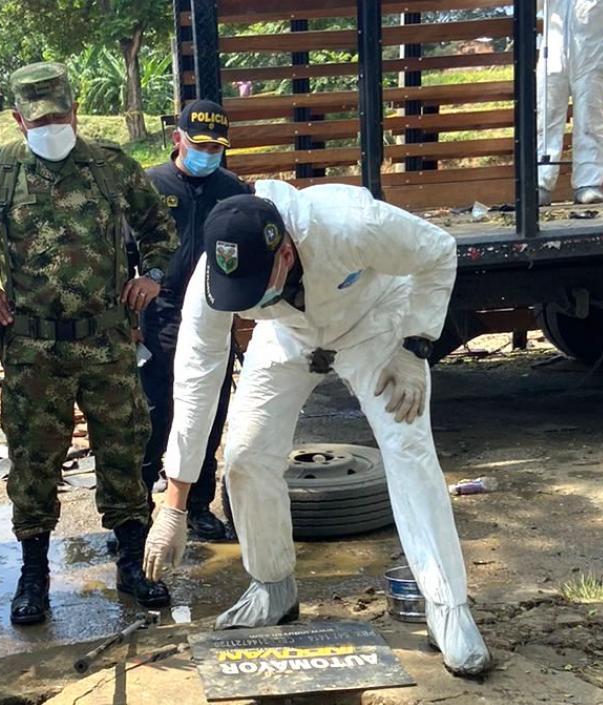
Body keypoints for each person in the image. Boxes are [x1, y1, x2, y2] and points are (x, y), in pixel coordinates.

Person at [142, 184, 493, 676]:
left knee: (407, 448)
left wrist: (415, 346)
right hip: (290, 336)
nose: (248, 298)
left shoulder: (350, 224)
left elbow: (438, 251)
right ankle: (272, 587)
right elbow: (198, 374)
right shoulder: (216, 274)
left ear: (286, 250)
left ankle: (447, 606)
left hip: (376, 325)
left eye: (256, 284)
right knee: (246, 455)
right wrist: (174, 501)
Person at [0, 61, 179, 625]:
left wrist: (153, 276)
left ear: (73, 111)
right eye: (39, 118)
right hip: (32, 350)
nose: (52, 124)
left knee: (124, 451)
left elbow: (159, 230)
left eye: (60, 114)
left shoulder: (111, 166)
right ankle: (33, 574)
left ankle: (130, 561)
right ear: (19, 120)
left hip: (106, 342)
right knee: (32, 461)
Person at [140, 99, 249, 541]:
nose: (208, 153)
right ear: (177, 139)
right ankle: (139, 507)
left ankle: (199, 506)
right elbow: (126, 249)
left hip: (214, 315)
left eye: (216, 147)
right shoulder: (150, 185)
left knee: (209, 410)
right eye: (199, 144)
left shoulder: (233, 188)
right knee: (153, 413)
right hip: (160, 313)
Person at [537, 0, 603, 205]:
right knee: (546, 119)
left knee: (590, 120)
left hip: (593, 54)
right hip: (551, 55)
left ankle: (588, 183)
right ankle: (541, 182)